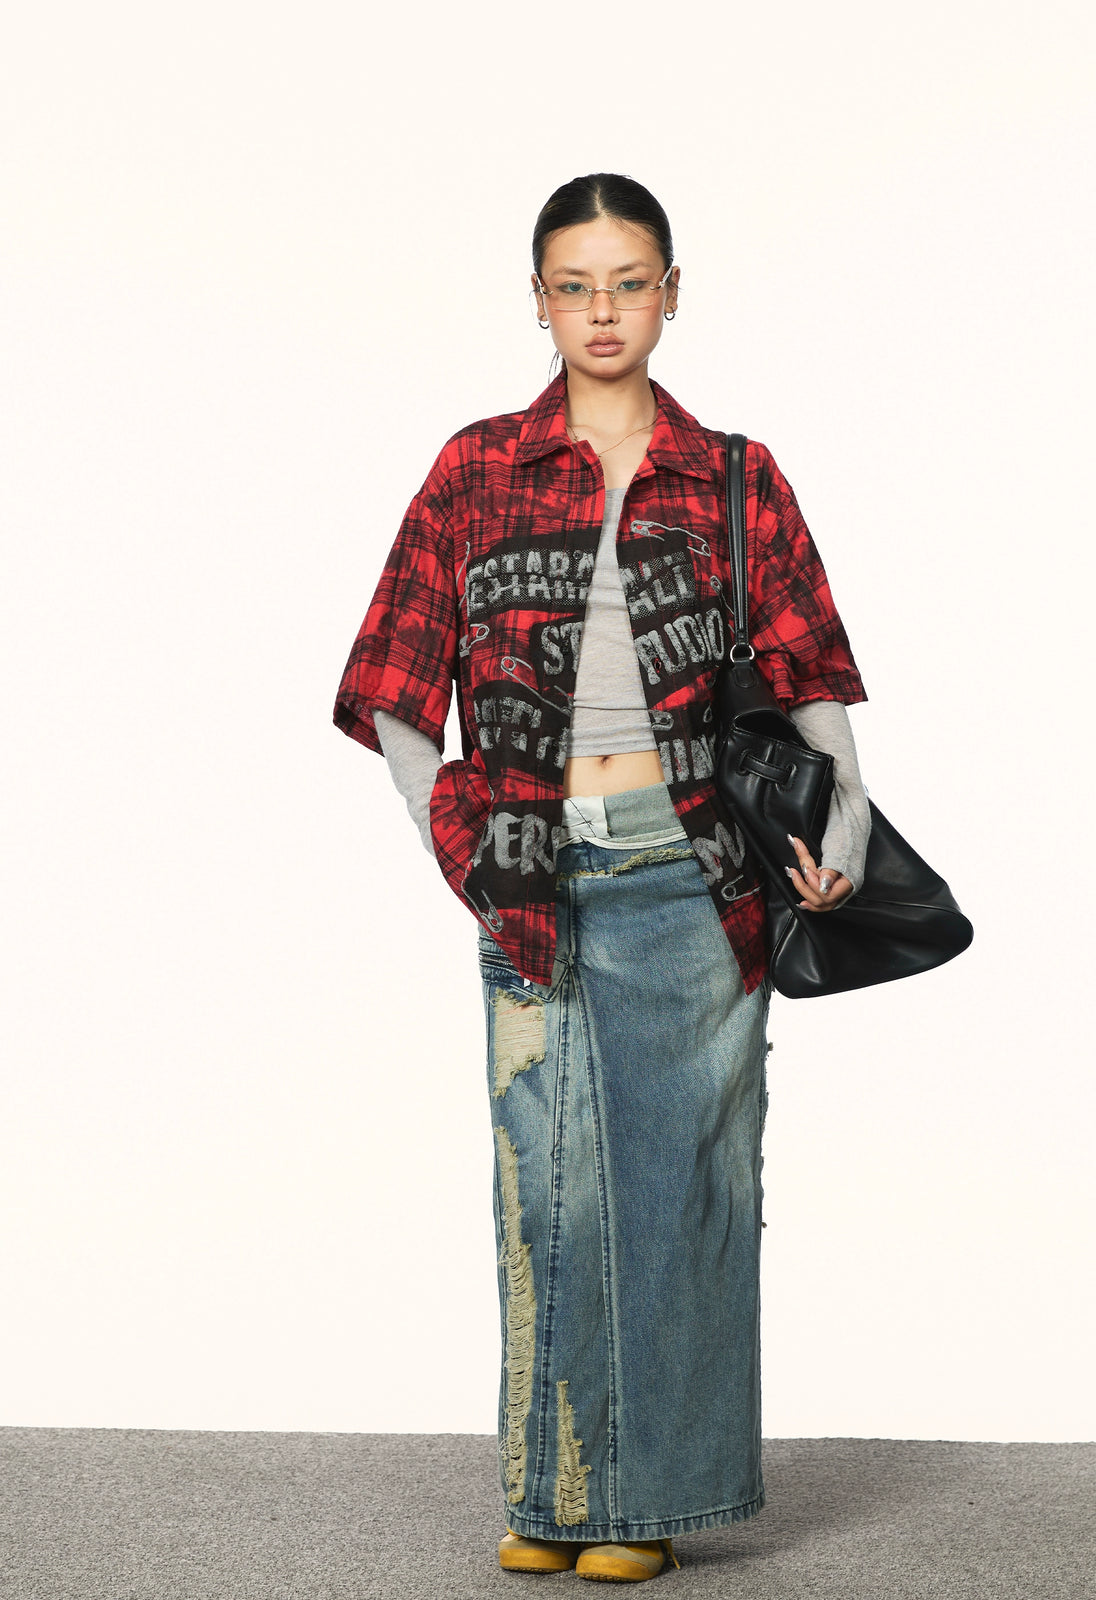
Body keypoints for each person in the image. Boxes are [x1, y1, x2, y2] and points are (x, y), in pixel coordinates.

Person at [333, 173, 871, 1583]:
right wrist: (451, 832)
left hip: (694, 871)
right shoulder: (477, 470)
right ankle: (557, 1492)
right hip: (529, 870)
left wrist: (846, 828)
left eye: (629, 283)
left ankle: (648, 1505)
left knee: (681, 1189)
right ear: (539, 302)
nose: (604, 311)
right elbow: (395, 679)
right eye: (576, 287)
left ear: (671, 293)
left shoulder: (737, 476)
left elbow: (812, 672)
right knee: (548, 1187)